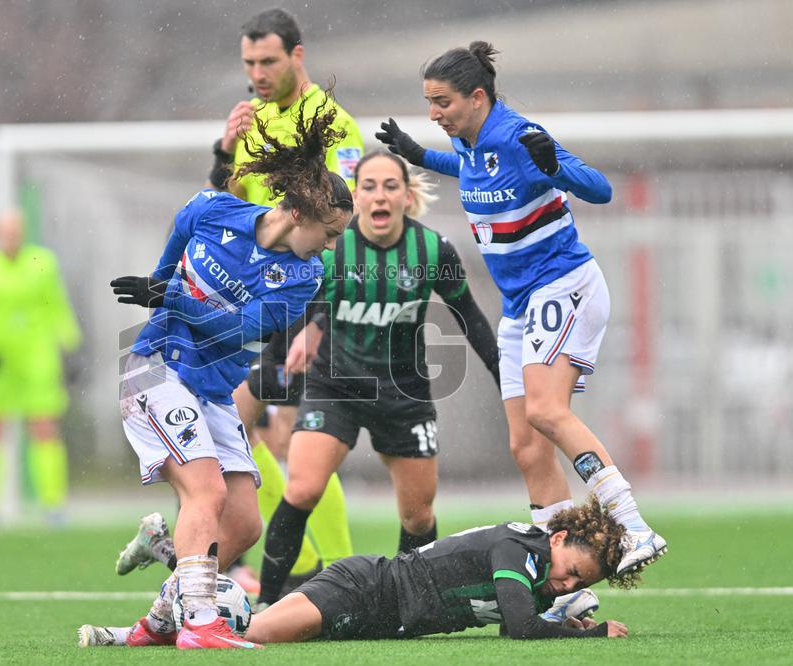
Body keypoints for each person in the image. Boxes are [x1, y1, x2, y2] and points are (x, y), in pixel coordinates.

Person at [375, 42, 666, 574]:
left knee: (546, 412)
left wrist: (556, 168)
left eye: (441, 102)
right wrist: (418, 156)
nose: (433, 113)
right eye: (428, 102)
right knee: (527, 445)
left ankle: (634, 526)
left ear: (478, 97)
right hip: (522, 305)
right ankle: (564, 580)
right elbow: (471, 168)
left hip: (562, 285)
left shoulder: (517, 135)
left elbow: (598, 189)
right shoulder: (470, 140)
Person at [117, 6, 362, 595]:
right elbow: (220, 211)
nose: (256, 72)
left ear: (296, 56)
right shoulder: (251, 121)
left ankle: (322, 566)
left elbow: (344, 229)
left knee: (293, 441)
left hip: (302, 308)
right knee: (256, 439)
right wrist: (224, 153)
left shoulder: (333, 128)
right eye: (248, 61)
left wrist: (316, 323)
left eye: (268, 61)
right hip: (241, 302)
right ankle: (225, 565)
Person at [254, 149, 500, 609]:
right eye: (369, 186)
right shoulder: (333, 246)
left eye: (391, 186)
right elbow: (305, 303)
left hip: (403, 393)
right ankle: (267, 603)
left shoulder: (433, 250)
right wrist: (288, 347)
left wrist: (506, 379)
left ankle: (412, 608)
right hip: (335, 385)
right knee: (303, 487)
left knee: (418, 513)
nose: (380, 196)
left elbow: (469, 317)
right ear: (357, 195)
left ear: (407, 196)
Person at [78, 496, 634, 646]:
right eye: (570, 571)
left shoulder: (539, 568)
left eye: (580, 584)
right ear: (557, 538)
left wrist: (567, 610)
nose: (567, 584)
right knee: (247, 634)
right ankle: (167, 555)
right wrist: (586, 632)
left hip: (379, 618)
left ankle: (155, 587)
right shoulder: (518, 553)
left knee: (252, 626)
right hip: (365, 589)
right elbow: (518, 625)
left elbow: (532, 607)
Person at [0, 209, 81, 529]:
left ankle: (53, 507)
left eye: (15, 231)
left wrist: (70, 344)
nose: (11, 238)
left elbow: (57, 306)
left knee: (44, 428)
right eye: (5, 232)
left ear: (23, 231)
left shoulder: (42, 263)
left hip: (37, 360)